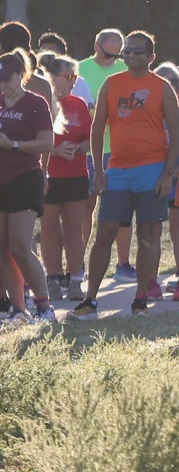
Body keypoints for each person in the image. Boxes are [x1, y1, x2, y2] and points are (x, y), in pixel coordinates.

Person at [82, 31, 174, 319]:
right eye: (128, 51)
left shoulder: (162, 87)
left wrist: (169, 174)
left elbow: (177, 132)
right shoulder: (112, 84)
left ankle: (140, 301)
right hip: (118, 170)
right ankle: (90, 300)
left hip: (153, 170)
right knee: (105, 232)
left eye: (138, 52)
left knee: (149, 236)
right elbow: (97, 129)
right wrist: (98, 169)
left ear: (151, 57)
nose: (132, 56)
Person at [0, 48, 55, 322]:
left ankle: (44, 306)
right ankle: (19, 309)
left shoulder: (35, 102)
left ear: (21, 74)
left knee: (20, 244)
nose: (3, 85)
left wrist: (13, 145)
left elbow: (47, 142)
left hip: (24, 178)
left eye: (8, 79)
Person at [40, 51, 93, 307]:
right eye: (68, 76)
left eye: (75, 76)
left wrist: (80, 147)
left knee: (74, 228)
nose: (73, 81)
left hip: (76, 173)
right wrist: (54, 150)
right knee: (49, 228)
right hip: (49, 174)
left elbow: (88, 137)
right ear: (52, 77)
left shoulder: (79, 104)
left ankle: (75, 280)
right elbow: (34, 139)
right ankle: (52, 279)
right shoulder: (42, 103)